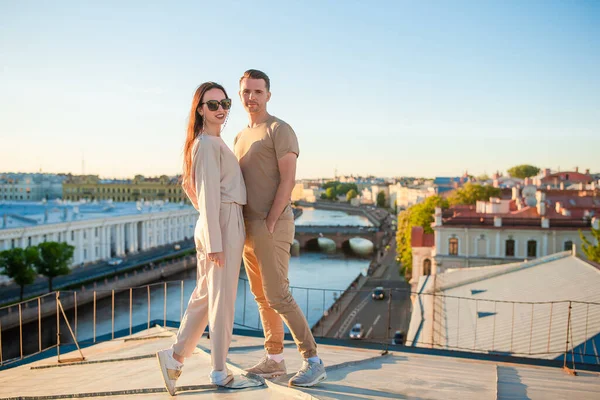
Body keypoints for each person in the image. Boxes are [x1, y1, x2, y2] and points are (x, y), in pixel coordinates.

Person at [233, 69, 327, 387]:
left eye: (258, 91)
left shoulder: (279, 129)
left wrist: (271, 220)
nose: (252, 97)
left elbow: (288, 180)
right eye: (246, 91)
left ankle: (313, 360)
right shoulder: (240, 137)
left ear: (268, 95)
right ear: (240, 94)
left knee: (278, 294)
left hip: (272, 224)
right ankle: (274, 360)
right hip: (247, 227)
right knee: (261, 297)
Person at [156, 82, 246, 395]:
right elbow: (207, 196)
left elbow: (193, 189)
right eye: (212, 105)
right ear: (200, 110)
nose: (220, 109)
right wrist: (216, 241)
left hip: (219, 222)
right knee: (222, 300)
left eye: (225, 103)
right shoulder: (207, 143)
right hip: (222, 223)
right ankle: (219, 370)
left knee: (207, 296)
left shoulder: (210, 141)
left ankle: (175, 357)